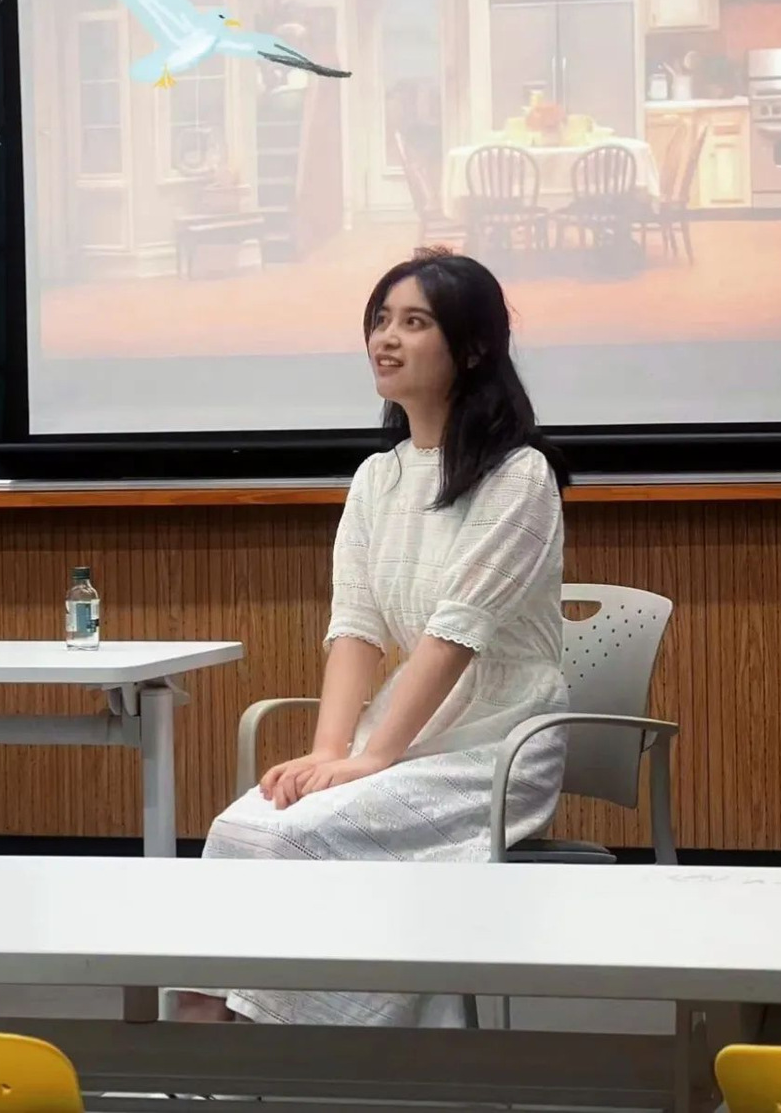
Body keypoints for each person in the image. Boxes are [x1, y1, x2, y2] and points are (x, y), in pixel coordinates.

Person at [176, 249, 569, 1028]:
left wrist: (369, 758)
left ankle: (278, 1036)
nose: (386, 338)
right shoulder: (376, 478)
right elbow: (354, 628)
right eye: (380, 320)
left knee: (295, 837)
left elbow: (452, 636)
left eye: (414, 322)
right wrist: (330, 752)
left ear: (473, 347)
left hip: (495, 743)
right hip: (399, 730)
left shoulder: (518, 475)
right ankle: (213, 1029)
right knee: (241, 825)